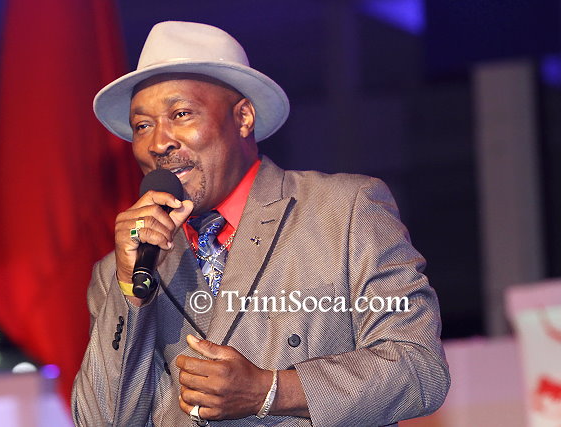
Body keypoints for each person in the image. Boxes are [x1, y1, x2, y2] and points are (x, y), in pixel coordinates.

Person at [72, 21, 450, 426]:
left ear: (243, 117)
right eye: (142, 126)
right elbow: (99, 421)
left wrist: (270, 391)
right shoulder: (120, 272)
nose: (159, 142)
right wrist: (130, 292)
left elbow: (419, 368)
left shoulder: (344, 210)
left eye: (181, 114)